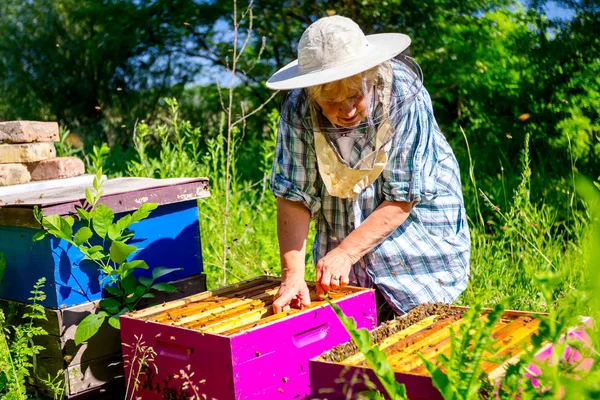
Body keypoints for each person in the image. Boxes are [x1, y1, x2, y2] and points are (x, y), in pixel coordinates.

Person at [266, 15, 470, 317]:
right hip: (341, 219)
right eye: (332, 102)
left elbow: (405, 193)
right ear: (313, 94)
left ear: (371, 77)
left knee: (422, 326)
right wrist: (292, 275)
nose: (347, 111)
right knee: (354, 327)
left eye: (355, 96)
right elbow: (294, 194)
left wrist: (347, 252)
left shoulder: (404, 95)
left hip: (416, 228)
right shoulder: (299, 108)